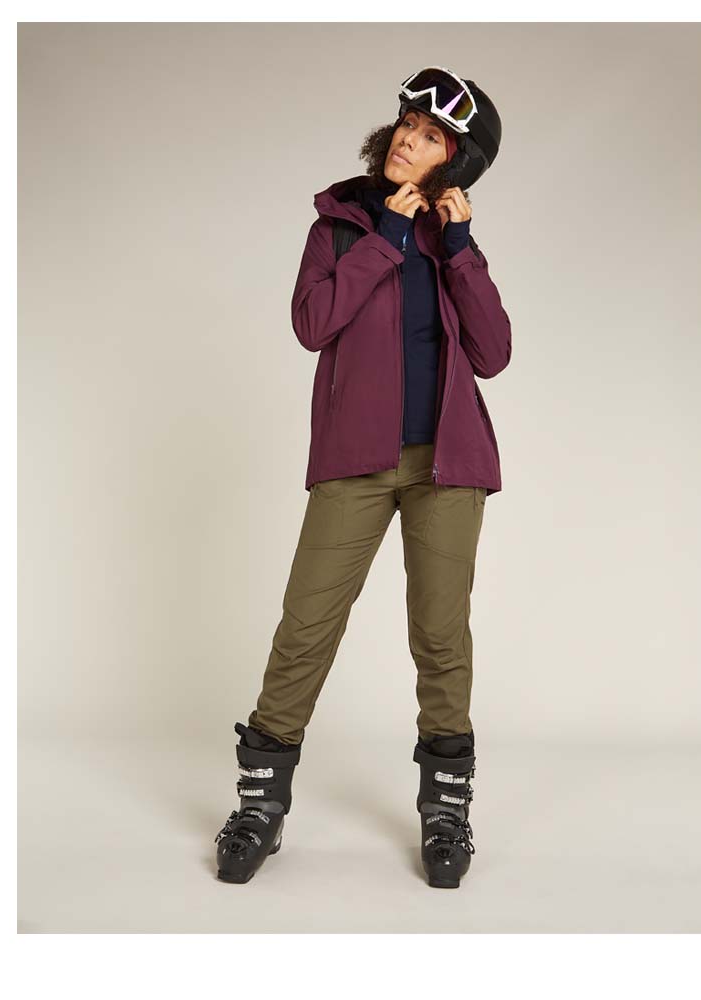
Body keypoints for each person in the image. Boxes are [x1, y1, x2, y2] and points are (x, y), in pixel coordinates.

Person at [215, 67, 511, 888]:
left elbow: (493, 353)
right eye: (408, 124)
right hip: (357, 460)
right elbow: (313, 324)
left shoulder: (453, 243)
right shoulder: (343, 225)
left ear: (456, 163)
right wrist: (385, 235)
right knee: (306, 625)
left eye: (431, 137)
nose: (408, 139)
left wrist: (461, 250)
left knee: (441, 636)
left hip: (448, 464)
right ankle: (260, 805)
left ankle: (446, 812)